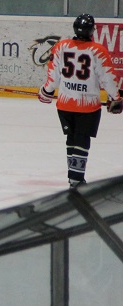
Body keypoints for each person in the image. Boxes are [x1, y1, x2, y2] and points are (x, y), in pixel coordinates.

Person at [39, 13, 122, 187]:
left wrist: (46, 92)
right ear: (91, 30)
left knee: (71, 139)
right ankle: (76, 179)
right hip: (88, 107)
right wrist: (116, 97)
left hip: (65, 105)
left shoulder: (61, 46)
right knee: (81, 140)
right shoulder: (98, 50)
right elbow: (108, 78)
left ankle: (73, 177)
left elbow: (53, 76)